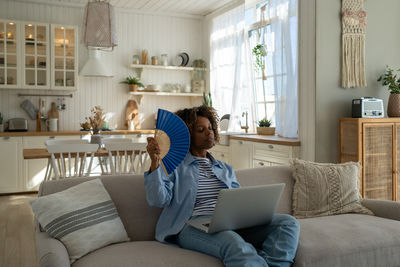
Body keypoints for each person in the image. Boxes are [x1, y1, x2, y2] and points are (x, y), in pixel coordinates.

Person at [144, 106, 300, 267]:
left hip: (230, 222)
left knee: (288, 223)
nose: (209, 132)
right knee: (235, 244)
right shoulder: (175, 167)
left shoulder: (225, 168)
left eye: (210, 128)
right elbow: (158, 200)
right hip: (192, 226)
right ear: (188, 135)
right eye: (200, 130)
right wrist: (155, 163)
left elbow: (238, 199)